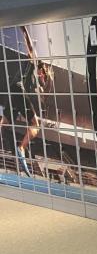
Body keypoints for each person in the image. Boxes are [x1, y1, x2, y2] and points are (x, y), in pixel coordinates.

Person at [0, 26, 53, 177]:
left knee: (4, 122)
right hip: (18, 89)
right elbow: (30, 46)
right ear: (42, 71)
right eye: (44, 77)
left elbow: (37, 89)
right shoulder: (34, 62)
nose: (42, 80)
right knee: (35, 124)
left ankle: (20, 147)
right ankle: (21, 148)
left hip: (14, 91)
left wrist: (41, 90)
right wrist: (24, 30)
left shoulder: (34, 80)